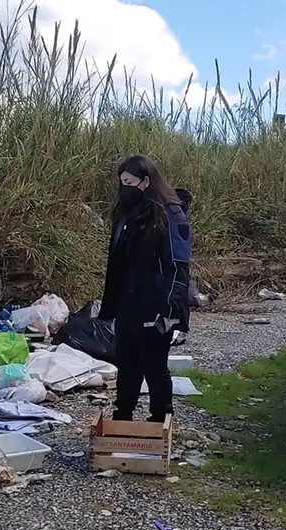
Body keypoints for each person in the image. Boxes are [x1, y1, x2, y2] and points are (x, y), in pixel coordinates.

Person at [98, 155, 192, 422]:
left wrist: (171, 310)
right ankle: (123, 414)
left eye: (129, 182)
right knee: (126, 361)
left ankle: (161, 417)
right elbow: (117, 262)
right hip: (128, 302)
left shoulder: (170, 215)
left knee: (154, 364)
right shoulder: (124, 215)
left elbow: (177, 266)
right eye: (121, 183)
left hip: (156, 302)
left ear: (146, 181)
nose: (124, 188)